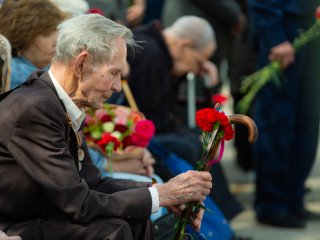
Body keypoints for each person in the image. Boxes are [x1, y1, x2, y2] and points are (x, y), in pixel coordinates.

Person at [0, 13, 212, 239]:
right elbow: (78, 202)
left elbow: (93, 181)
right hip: (15, 225)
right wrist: (160, 195)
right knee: (113, 230)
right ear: (81, 63)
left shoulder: (57, 99)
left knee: (134, 221)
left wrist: (163, 193)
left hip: (43, 214)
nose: (117, 87)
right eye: (114, 73)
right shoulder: (35, 107)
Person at [248, 0, 320, 228]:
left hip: (310, 23)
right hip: (284, 27)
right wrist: (275, 36)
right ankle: (272, 204)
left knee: (307, 122)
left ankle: (293, 198)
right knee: (278, 122)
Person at [0, 0, 66, 89]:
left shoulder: (46, 67)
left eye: (56, 32)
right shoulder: (20, 77)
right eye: (46, 34)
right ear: (24, 36)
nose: (56, 41)